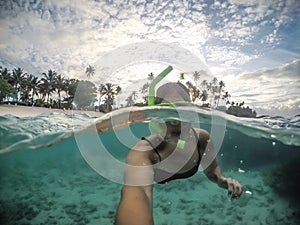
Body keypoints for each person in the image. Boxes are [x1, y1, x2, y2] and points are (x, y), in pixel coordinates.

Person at [115, 82, 243, 225]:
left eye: (184, 110)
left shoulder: (201, 139)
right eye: (169, 112)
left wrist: (221, 179)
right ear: (157, 116)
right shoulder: (144, 152)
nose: (177, 121)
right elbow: (139, 191)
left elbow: (212, 169)